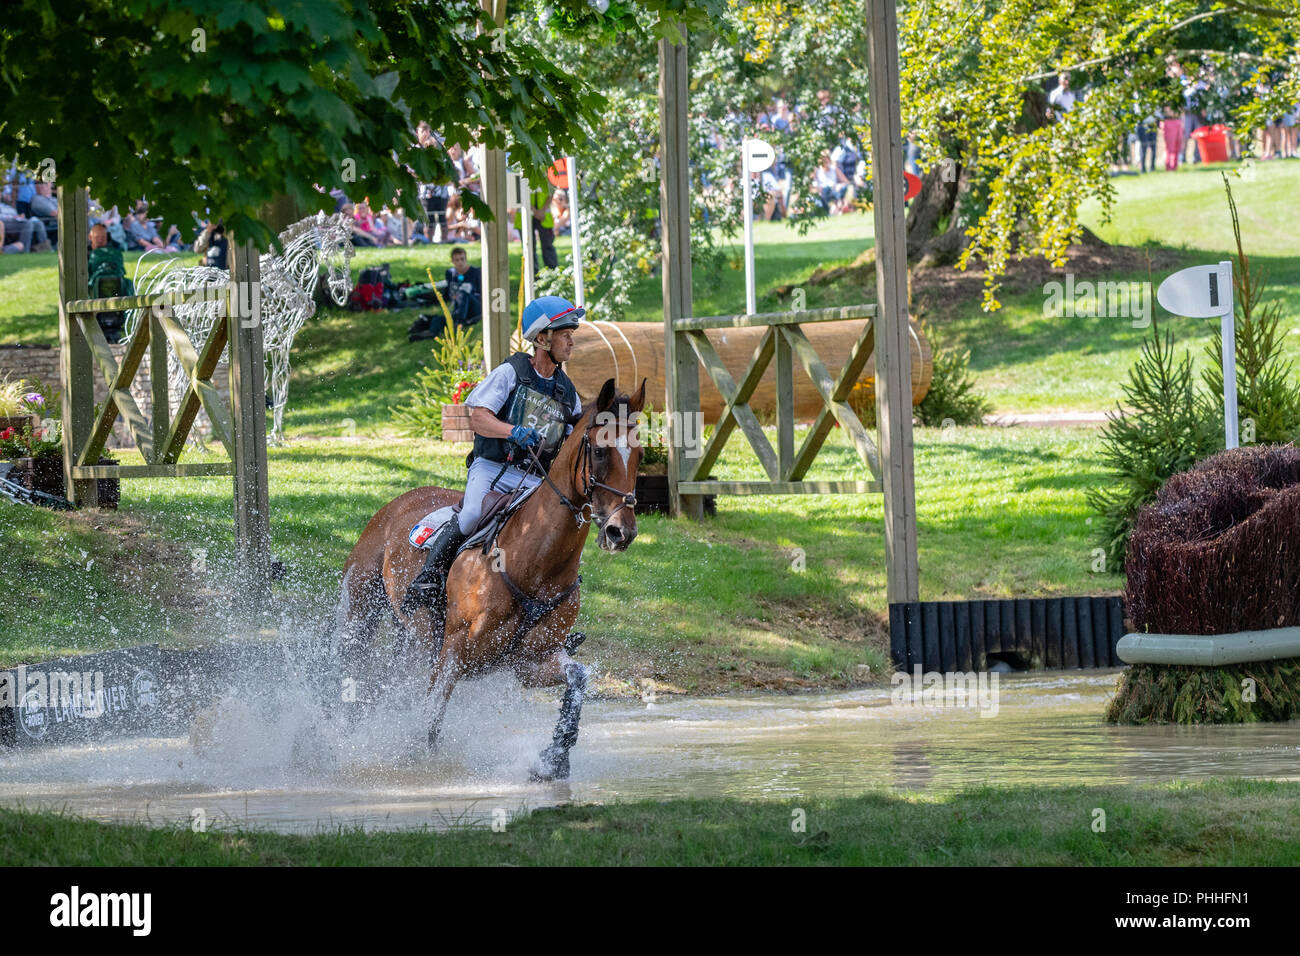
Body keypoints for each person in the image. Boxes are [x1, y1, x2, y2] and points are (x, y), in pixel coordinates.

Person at [402, 295, 584, 613]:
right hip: (493, 469)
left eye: (572, 333)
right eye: (565, 333)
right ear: (542, 338)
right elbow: (479, 417)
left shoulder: (568, 395)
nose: (571, 340)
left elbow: (571, 445)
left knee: (554, 534)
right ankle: (428, 580)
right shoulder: (510, 373)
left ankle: (552, 611)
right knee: (472, 514)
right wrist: (511, 431)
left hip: (535, 481)